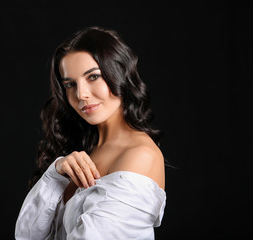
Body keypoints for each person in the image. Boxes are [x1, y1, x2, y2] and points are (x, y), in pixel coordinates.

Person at [15, 26, 166, 240]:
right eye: (70, 84)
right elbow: (27, 235)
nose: (81, 94)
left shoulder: (140, 155)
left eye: (93, 77)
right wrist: (55, 172)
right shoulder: (83, 150)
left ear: (119, 73)